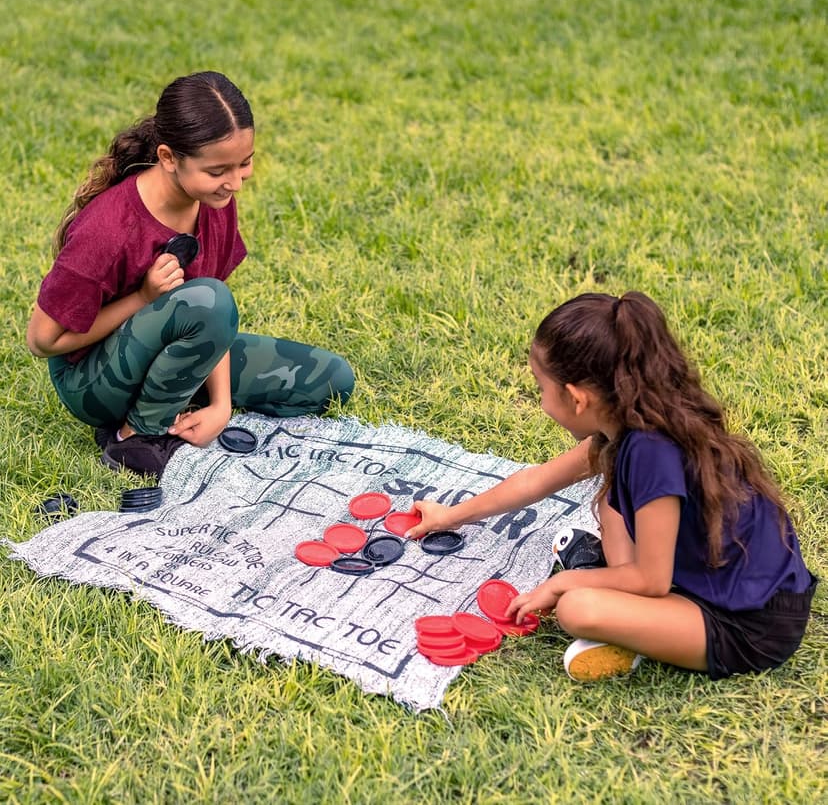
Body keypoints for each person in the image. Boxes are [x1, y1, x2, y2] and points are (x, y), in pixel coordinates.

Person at [408, 292, 816, 682]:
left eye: (540, 388)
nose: (540, 401)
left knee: (576, 608)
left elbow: (652, 581)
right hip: (712, 578)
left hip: (748, 623)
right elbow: (535, 480)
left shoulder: (650, 452)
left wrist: (563, 582)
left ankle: (632, 628)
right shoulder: (634, 418)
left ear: (576, 398)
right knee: (610, 503)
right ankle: (633, 613)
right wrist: (450, 515)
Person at [26, 71, 354, 477]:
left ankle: (172, 401)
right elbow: (42, 341)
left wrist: (221, 405)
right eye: (218, 171)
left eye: (245, 163)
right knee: (207, 300)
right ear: (168, 158)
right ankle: (134, 437)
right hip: (91, 380)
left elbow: (215, 318)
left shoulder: (213, 201)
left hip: (166, 351)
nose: (234, 182)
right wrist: (142, 298)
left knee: (330, 379)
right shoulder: (108, 228)